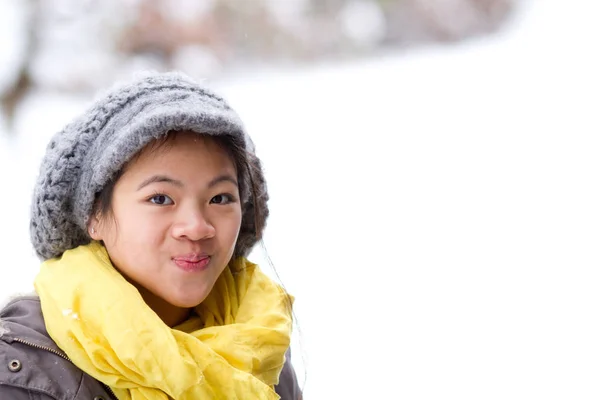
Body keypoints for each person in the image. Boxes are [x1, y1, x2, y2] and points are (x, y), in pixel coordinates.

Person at [0, 72, 301, 399]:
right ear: (94, 216)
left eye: (220, 198)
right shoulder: (26, 372)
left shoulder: (258, 348)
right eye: (160, 199)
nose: (197, 227)